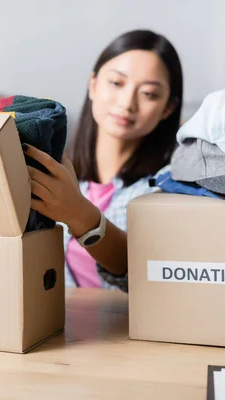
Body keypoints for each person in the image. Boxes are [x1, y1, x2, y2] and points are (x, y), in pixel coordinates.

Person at [22, 29, 184, 291]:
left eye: (149, 94)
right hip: (58, 327)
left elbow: (151, 275)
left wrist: (79, 214)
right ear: (93, 84)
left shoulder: (171, 187)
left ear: (168, 108)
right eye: (117, 83)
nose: (127, 103)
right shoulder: (53, 168)